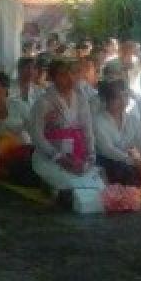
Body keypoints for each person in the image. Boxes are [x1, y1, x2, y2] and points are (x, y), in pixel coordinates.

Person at [29, 56, 101, 195]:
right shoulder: (44, 102)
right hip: (49, 157)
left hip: (77, 155)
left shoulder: (81, 99)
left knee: (96, 184)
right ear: (53, 78)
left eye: (71, 73)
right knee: (70, 186)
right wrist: (59, 158)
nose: (69, 78)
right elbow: (37, 136)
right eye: (62, 74)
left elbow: (88, 130)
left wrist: (91, 155)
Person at [92, 79, 141, 186]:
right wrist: (134, 162)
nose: (123, 101)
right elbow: (108, 150)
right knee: (129, 171)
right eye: (117, 98)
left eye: (125, 96)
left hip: (128, 161)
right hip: (107, 163)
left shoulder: (132, 119)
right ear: (105, 100)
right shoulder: (97, 121)